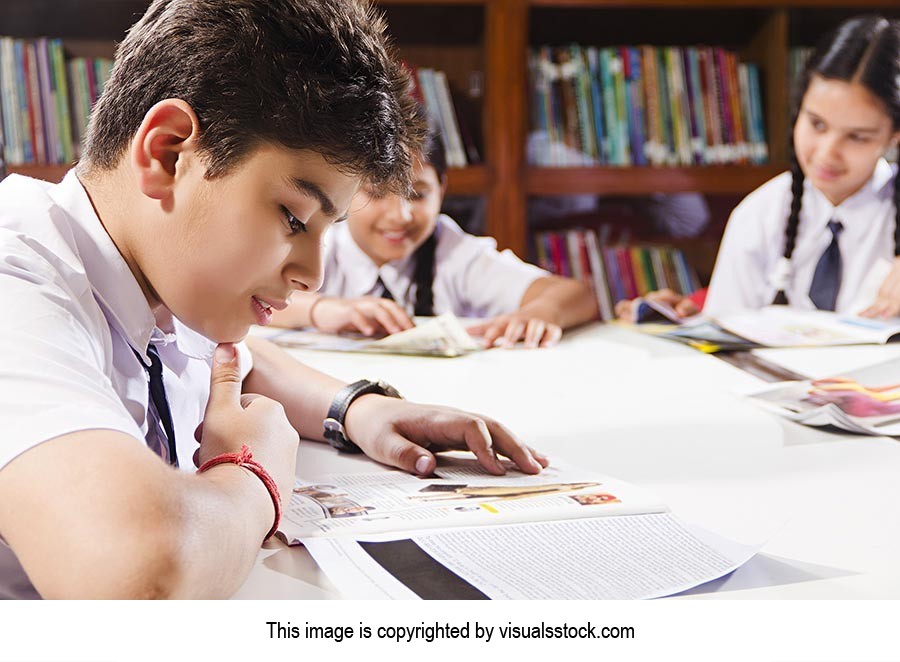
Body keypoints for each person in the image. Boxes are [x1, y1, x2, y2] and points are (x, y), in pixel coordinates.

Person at [0, 0, 548, 600]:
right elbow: (138, 578)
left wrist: (355, 409)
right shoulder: (15, 283)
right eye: (293, 216)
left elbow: (230, 359)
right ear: (168, 153)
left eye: (327, 229)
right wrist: (254, 472)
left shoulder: (160, 273)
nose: (312, 276)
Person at [616, 16, 900, 321]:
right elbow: (726, 329)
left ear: (893, 136)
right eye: (816, 123)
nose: (827, 153)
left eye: (857, 137)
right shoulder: (760, 214)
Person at [271, 116, 600, 349]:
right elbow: (245, 294)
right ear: (346, 191)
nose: (400, 216)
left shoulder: (454, 251)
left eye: (418, 195)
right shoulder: (321, 244)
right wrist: (323, 309)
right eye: (376, 192)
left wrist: (541, 313)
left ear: (442, 189)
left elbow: (578, 295)